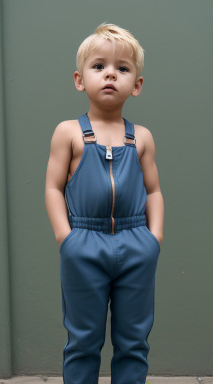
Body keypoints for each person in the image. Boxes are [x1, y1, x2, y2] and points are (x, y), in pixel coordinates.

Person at [45, 22, 164, 384]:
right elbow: (53, 188)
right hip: (83, 244)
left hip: (135, 243)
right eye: (99, 67)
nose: (110, 74)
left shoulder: (140, 138)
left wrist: (153, 239)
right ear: (80, 80)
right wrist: (67, 239)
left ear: (136, 85)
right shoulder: (68, 132)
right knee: (83, 339)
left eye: (122, 69)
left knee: (133, 340)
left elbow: (154, 191)